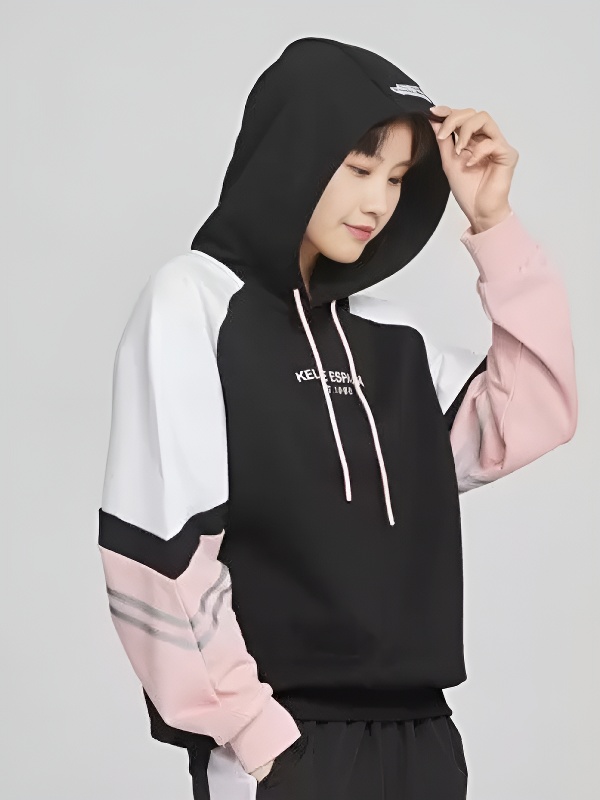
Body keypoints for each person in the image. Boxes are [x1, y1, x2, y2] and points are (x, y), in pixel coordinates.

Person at [97, 36, 578, 799]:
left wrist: (495, 224)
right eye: (358, 168)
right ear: (294, 152)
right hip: (289, 743)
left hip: (422, 738)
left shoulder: (393, 335)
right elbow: (162, 549)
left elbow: (536, 414)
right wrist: (259, 740)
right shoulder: (196, 304)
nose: (379, 202)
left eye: (398, 177)